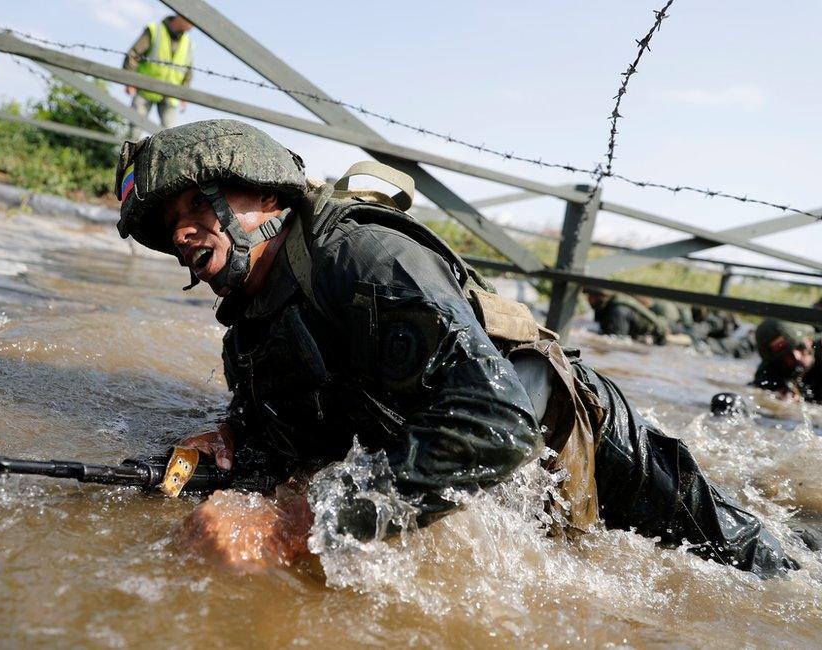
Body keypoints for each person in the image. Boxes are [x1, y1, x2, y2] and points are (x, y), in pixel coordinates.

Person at [114, 120, 797, 577]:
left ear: (264, 194)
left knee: (764, 566)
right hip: (494, 474)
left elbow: (497, 423)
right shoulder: (251, 326)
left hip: (580, 439)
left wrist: (290, 527)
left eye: (196, 208)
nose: (183, 233)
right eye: (170, 224)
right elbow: (293, 433)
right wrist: (228, 437)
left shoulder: (365, 258)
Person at [123, 14, 194, 140]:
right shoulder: (155, 30)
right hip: (145, 88)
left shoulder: (188, 42)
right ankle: (130, 159)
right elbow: (134, 54)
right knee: (135, 131)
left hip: (171, 94)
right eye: (190, 22)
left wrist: (185, 94)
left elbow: (188, 71)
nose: (192, 27)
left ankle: (163, 160)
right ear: (181, 17)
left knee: (171, 136)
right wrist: (130, 80)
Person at [752, 318, 820, 403]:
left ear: (809, 340)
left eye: (800, 347)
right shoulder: (768, 373)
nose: (796, 357)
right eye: (787, 355)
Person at [583, 289, 669, 344]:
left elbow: (618, 342)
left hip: (660, 333)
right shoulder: (603, 308)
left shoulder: (617, 311)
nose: (588, 300)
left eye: (591, 296)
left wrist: (587, 337)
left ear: (601, 297)